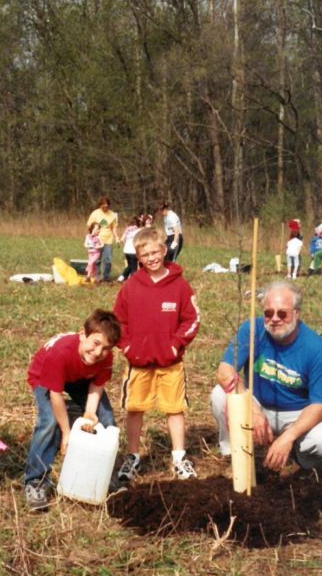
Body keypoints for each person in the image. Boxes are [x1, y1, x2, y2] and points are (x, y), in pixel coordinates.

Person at [210, 281, 322, 473]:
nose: (275, 319)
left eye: (282, 313)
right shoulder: (252, 330)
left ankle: (299, 461)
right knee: (220, 395)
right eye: (268, 313)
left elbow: (320, 404)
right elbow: (224, 370)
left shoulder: (315, 349)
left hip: (297, 413)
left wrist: (289, 436)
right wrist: (252, 409)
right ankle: (236, 455)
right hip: (258, 403)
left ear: (296, 313)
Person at [113, 227, 200, 482]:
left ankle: (179, 457)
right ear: (137, 257)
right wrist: (128, 347)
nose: (151, 258)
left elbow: (192, 320)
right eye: (145, 254)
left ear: (165, 250)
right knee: (134, 408)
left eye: (155, 252)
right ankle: (132, 456)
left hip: (170, 363)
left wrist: (175, 345)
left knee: (174, 409)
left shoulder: (181, 286)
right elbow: (118, 322)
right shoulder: (130, 287)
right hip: (138, 363)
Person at [23, 309, 121, 510]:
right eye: (95, 343)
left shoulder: (105, 358)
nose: (98, 352)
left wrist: (90, 412)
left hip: (80, 378)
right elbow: (55, 394)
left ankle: (106, 476)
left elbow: (97, 385)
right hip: (46, 377)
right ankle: (35, 481)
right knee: (49, 422)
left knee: (107, 419)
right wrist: (67, 433)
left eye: (106, 348)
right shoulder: (60, 354)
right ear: (82, 334)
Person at [87, 197, 119, 281]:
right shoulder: (95, 213)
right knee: (97, 260)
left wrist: (117, 238)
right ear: (100, 205)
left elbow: (114, 228)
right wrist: (92, 237)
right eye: (103, 206)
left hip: (108, 239)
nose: (105, 208)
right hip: (97, 240)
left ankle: (106, 276)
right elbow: (89, 226)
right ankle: (97, 276)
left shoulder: (112, 214)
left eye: (107, 206)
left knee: (108, 260)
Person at [117, 215, 141, 283]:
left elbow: (122, 239)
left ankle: (121, 277)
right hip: (133, 251)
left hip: (126, 250)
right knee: (134, 268)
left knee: (129, 266)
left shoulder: (127, 229)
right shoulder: (138, 230)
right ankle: (133, 282)